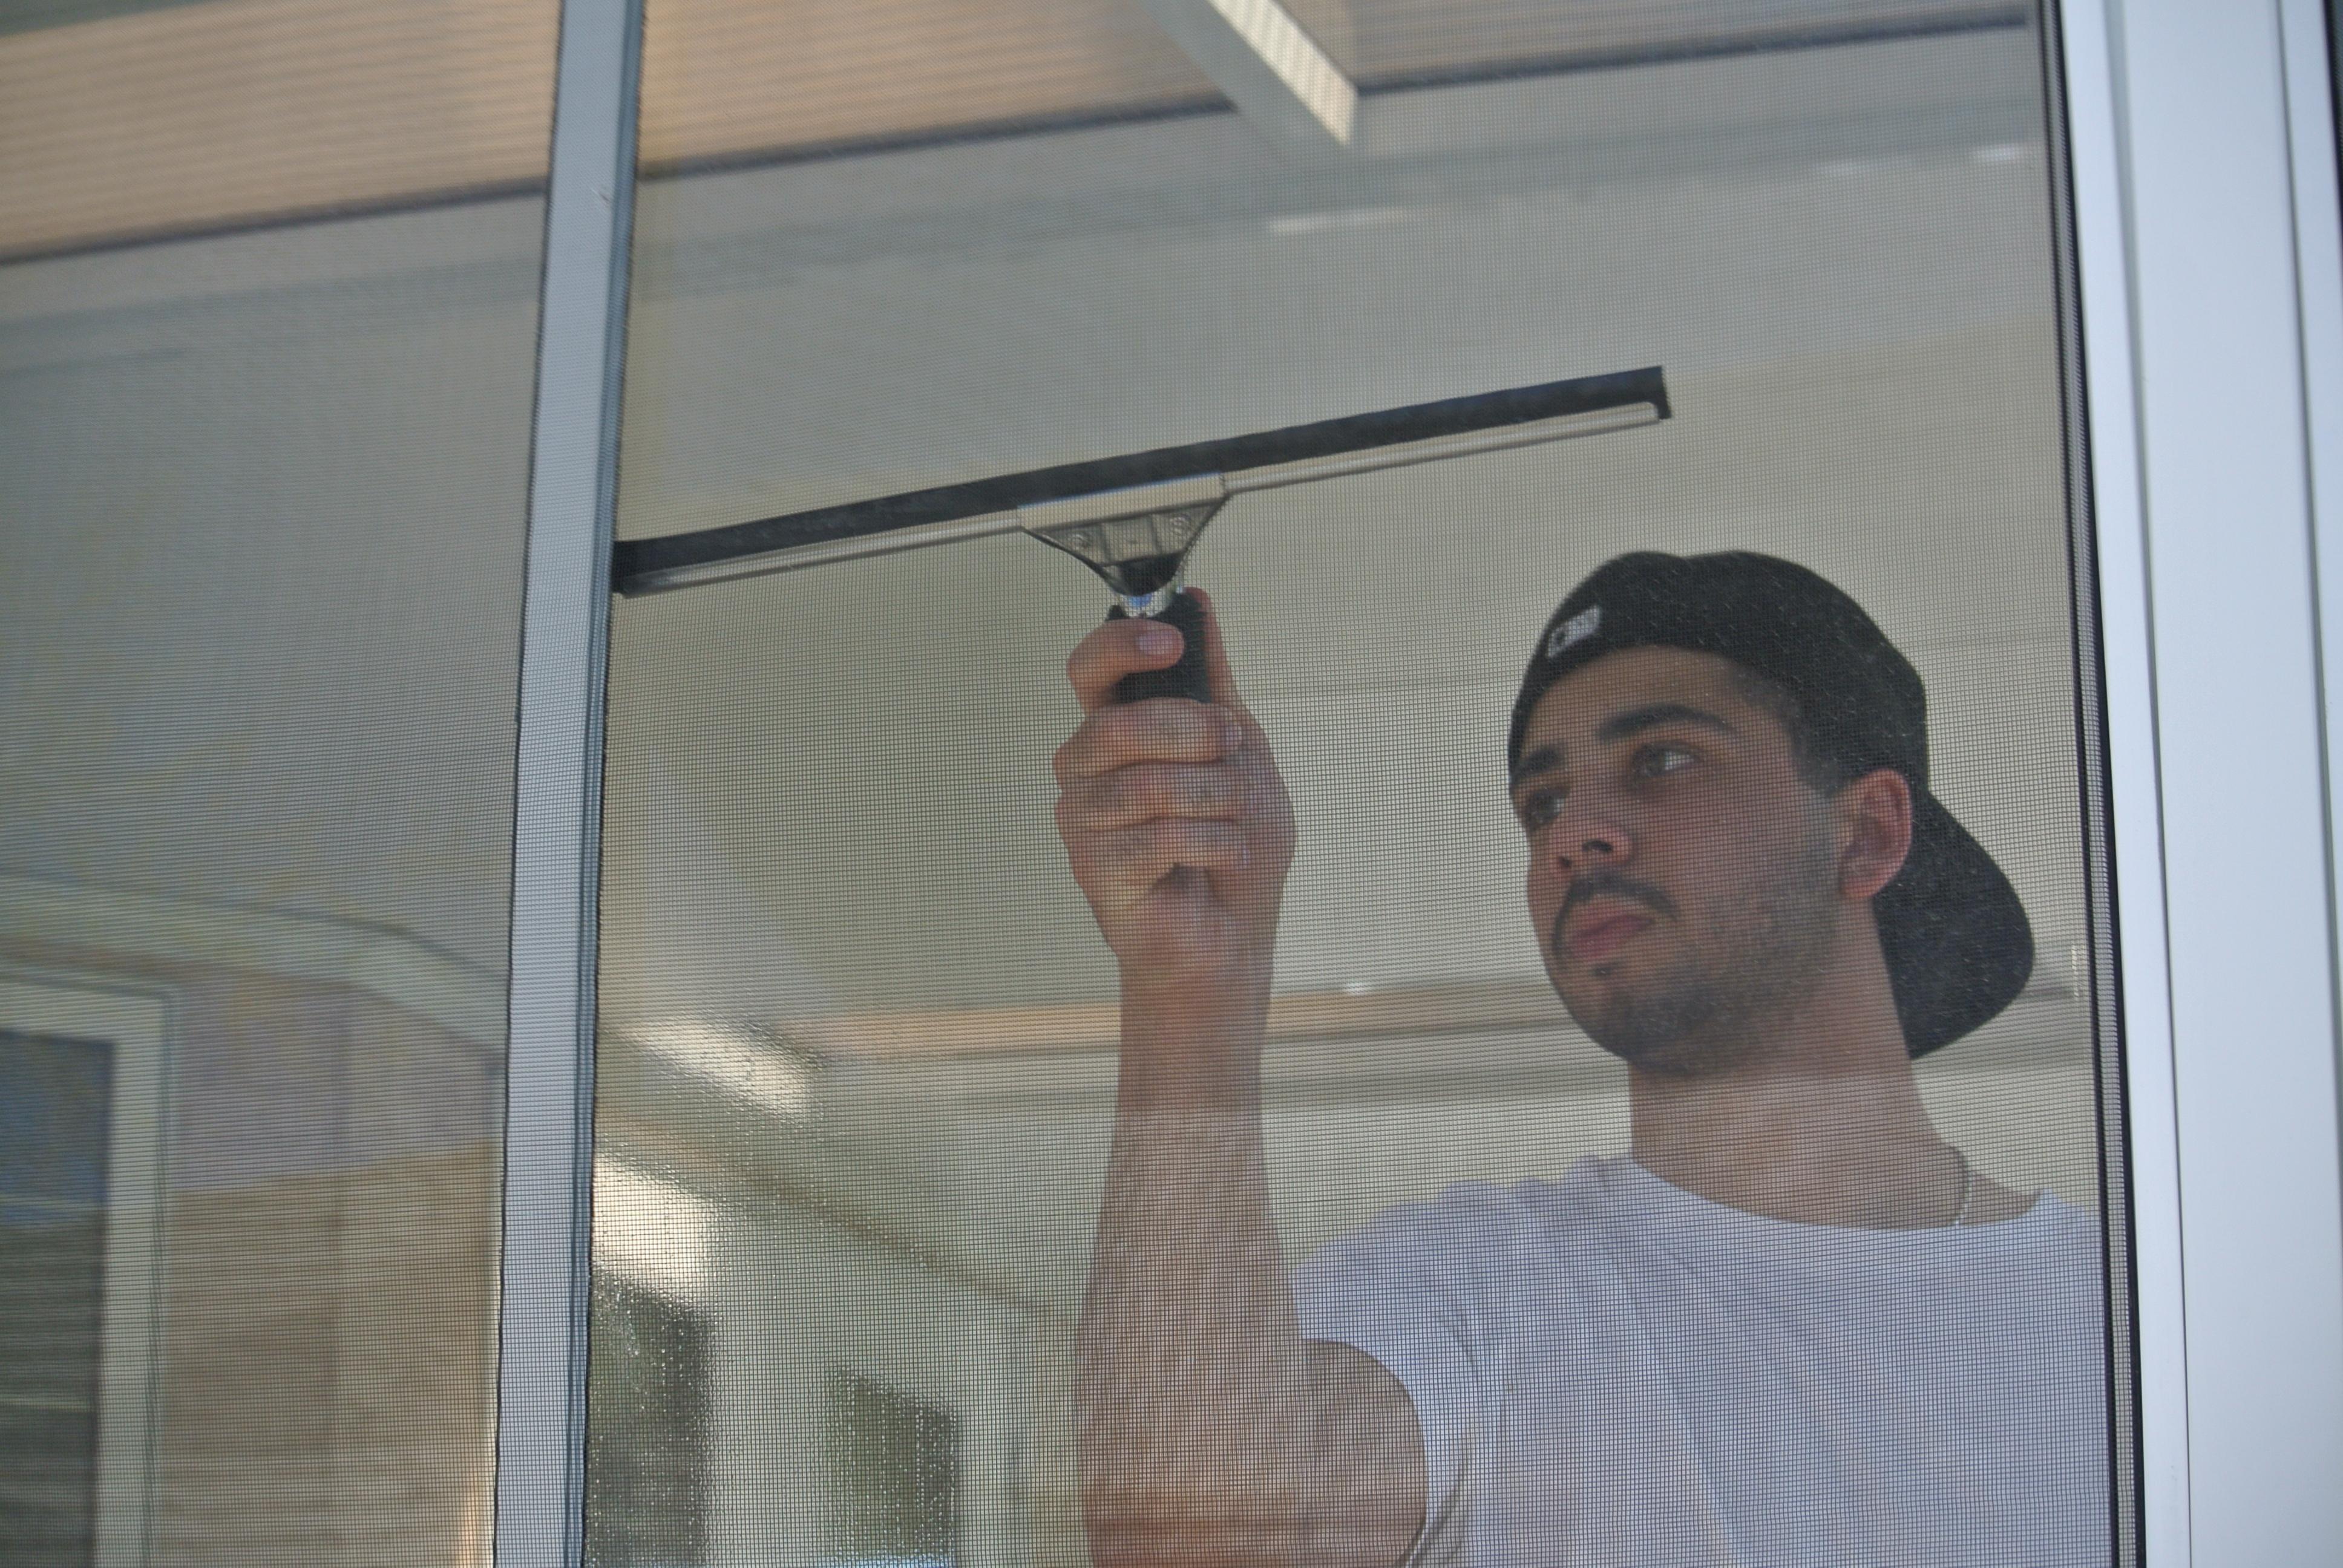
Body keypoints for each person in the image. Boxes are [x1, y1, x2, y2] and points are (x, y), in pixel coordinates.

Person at [1052, 550, 2110, 1568]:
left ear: (1868, 834)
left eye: (1663, 760)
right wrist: (1194, 985)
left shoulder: (2124, 1317)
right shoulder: (1475, 1294)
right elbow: (1198, 1549)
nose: (1573, 835)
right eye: (1544, 803)